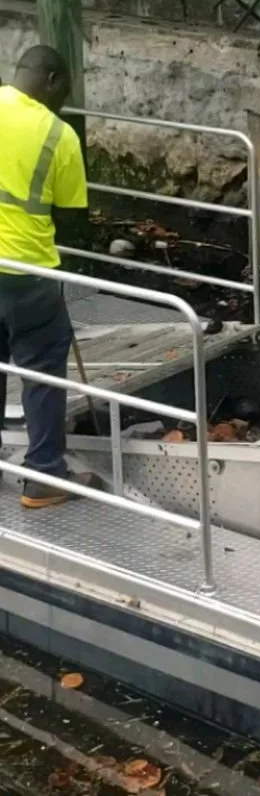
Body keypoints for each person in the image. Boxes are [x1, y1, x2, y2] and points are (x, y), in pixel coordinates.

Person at [0, 45, 99, 508]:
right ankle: (43, 476)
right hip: (28, 273)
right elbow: (73, 220)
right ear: (54, 80)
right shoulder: (58, 135)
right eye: (66, 91)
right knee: (41, 372)